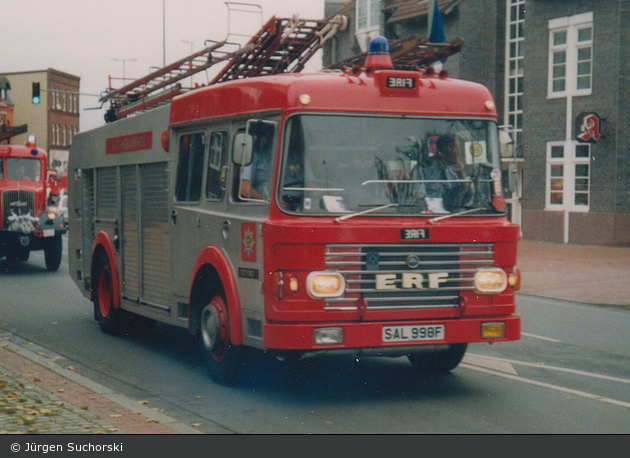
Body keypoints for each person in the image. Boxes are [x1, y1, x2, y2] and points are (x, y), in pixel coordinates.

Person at [416, 134, 471, 211]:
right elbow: (418, 196)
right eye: (456, 148)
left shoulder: (454, 169)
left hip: (453, 212)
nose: (459, 152)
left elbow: (466, 196)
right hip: (432, 212)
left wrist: (460, 173)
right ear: (445, 149)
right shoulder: (425, 168)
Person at [239, 129, 274, 201]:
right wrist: (269, 201)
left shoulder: (297, 156)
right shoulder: (254, 157)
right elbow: (245, 189)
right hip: (264, 206)